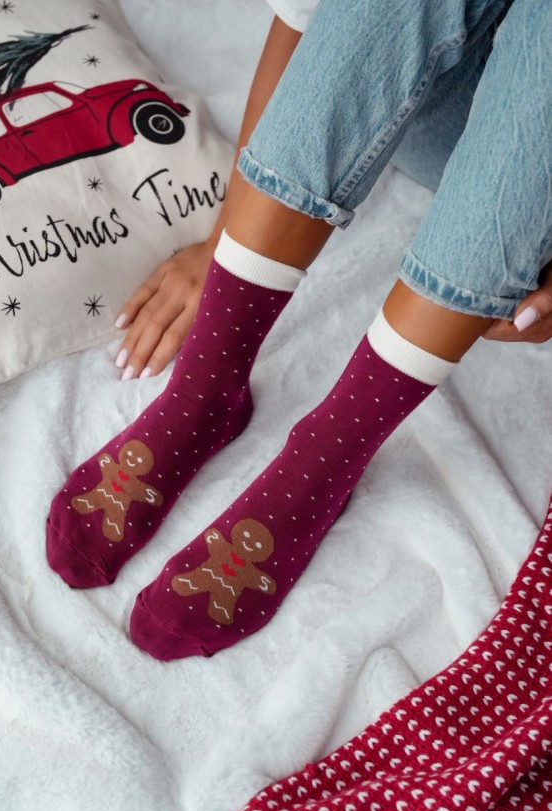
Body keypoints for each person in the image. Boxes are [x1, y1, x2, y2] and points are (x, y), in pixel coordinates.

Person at [46, 0, 552, 661]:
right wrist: (222, 241)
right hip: (430, 96)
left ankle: (321, 463)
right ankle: (204, 391)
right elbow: (313, 20)